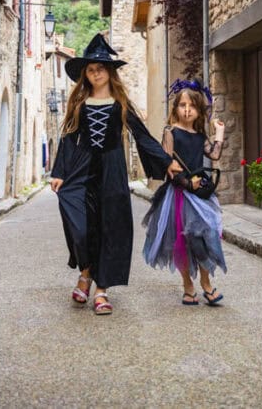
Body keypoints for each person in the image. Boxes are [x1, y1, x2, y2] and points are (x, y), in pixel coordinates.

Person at [49, 34, 182, 316]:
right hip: (82, 170)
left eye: (100, 67)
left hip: (112, 169)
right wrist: (60, 171)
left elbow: (143, 137)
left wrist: (166, 161)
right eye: (90, 68)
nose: (95, 72)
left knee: (111, 227)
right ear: (85, 73)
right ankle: (85, 273)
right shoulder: (79, 102)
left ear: (109, 71)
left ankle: (101, 290)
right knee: (81, 225)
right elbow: (69, 138)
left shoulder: (120, 103)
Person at [142, 79, 227, 306]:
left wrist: (219, 133)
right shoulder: (171, 132)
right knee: (183, 241)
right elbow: (167, 165)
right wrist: (187, 184)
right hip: (180, 194)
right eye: (182, 105)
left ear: (199, 110)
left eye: (192, 106)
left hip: (201, 195)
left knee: (205, 236)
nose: (187, 110)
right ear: (176, 108)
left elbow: (215, 156)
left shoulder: (199, 136)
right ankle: (189, 287)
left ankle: (206, 285)